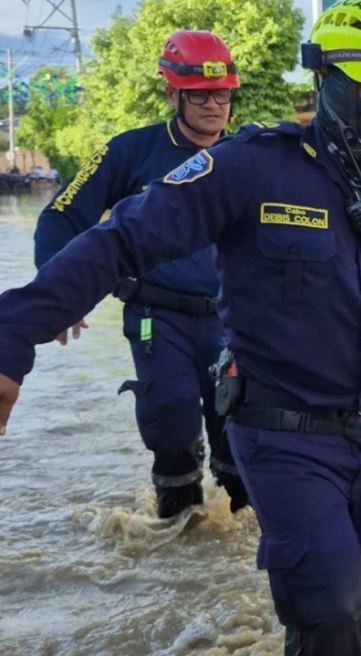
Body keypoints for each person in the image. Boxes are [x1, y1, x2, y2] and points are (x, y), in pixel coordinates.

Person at [0, 4, 361, 655]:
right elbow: (118, 242)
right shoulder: (252, 168)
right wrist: (13, 338)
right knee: (331, 614)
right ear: (331, 83)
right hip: (288, 439)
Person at [31, 30, 246, 518]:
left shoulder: (246, 156)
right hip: (157, 314)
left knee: (242, 435)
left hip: (233, 320)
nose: (214, 105)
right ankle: (176, 542)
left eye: (223, 94)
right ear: (172, 94)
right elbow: (62, 217)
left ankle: (242, 553)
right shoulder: (129, 151)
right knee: (171, 425)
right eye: (199, 95)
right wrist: (60, 295)